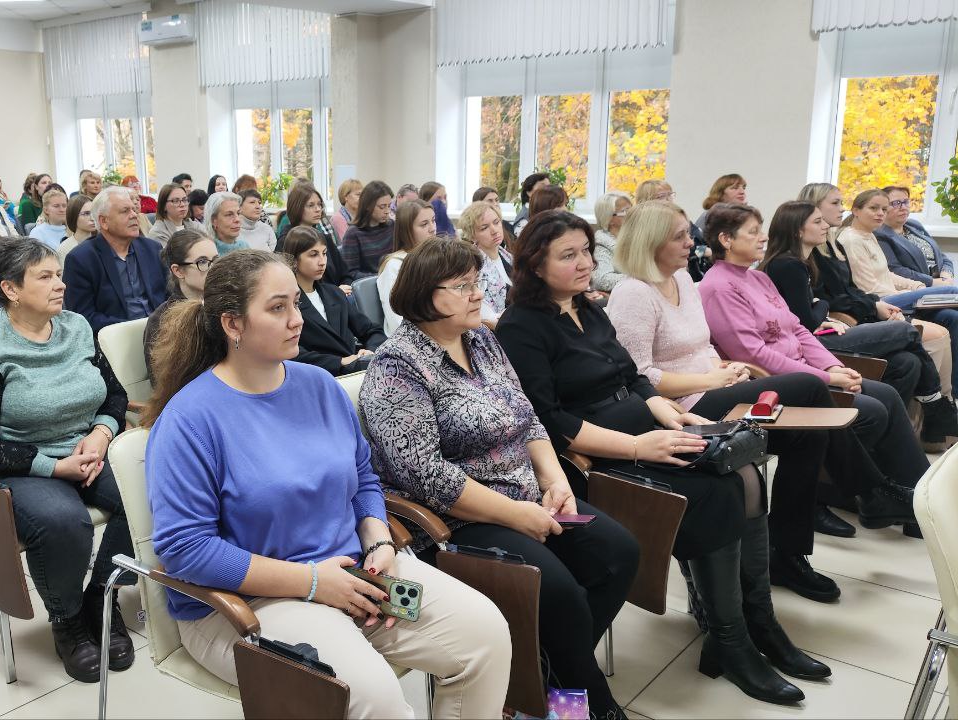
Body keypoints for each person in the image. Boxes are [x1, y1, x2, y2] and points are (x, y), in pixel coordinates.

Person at [143, 249, 512, 720]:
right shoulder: (189, 421)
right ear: (233, 324)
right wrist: (313, 582)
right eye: (277, 308)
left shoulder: (319, 386)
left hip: (353, 574)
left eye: (296, 304)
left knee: (486, 635)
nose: (297, 319)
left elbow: (362, 479)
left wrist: (378, 540)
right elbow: (186, 550)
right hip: (248, 601)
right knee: (374, 697)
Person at [494, 210, 817, 705]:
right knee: (717, 492)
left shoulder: (588, 308)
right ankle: (729, 639)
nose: (585, 263)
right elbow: (549, 420)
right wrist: (637, 445)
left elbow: (633, 376)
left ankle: (757, 622)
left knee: (744, 470)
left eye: (586, 251)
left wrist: (667, 411)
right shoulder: (522, 327)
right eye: (568, 255)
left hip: (641, 429)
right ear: (535, 265)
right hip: (594, 454)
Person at [361, 237, 639, 719]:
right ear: (425, 295)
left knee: (620, 554)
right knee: (560, 595)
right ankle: (587, 705)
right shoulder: (396, 367)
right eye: (463, 286)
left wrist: (556, 481)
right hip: (458, 520)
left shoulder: (482, 340)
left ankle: (537, 677)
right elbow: (428, 477)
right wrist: (516, 515)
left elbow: (527, 417)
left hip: (527, 497)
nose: (478, 294)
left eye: (477, 282)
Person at [607, 200, 911, 602]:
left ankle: (788, 554)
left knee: (809, 432)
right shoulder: (633, 293)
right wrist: (712, 377)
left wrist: (726, 367)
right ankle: (871, 491)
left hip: (716, 386)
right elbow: (639, 377)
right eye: (679, 236)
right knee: (808, 387)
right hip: (682, 409)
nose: (690, 242)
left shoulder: (681, 279)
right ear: (651, 242)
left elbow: (702, 345)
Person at [0, 237, 135, 681]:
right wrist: (53, 466)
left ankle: (103, 595)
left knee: (151, 493)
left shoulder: (77, 327)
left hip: (85, 451)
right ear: (11, 289)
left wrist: (101, 434)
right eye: (45, 277)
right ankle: (67, 619)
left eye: (59, 275)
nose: (60, 285)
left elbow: (115, 395)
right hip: (17, 462)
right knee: (63, 521)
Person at [698, 203, 926, 524]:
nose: (763, 237)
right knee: (871, 411)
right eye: (753, 232)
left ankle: (919, 497)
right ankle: (845, 495)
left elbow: (799, 329)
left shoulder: (758, 278)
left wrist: (833, 367)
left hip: (807, 370)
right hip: (773, 384)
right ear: (726, 239)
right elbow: (753, 355)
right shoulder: (719, 287)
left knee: (886, 395)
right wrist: (825, 378)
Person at [762, 200, 958, 452]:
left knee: (907, 361)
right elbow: (807, 320)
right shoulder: (789, 265)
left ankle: (889, 438)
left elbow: (813, 309)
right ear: (798, 230)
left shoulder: (805, 261)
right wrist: (821, 305)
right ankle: (935, 405)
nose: (825, 226)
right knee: (906, 331)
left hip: (827, 329)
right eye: (817, 222)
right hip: (811, 344)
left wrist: (820, 307)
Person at [797, 183, 954, 399]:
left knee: (918, 350)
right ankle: (937, 400)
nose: (842, 208)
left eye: (884, 208)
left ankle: (940, 399)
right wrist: (875, 305)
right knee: (925, 318)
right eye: (835, 203)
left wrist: (909, 289)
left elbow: (852, 289)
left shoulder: (835, 244)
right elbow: (825, 303)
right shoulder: (832, 246)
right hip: (856, 314)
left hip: (867, 306)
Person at [63, 186, 167, 334]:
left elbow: (170, 296)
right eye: (125, 211)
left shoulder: (152, 249)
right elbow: (83, 317)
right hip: (116, 337)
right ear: (104, 221)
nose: (134, 215)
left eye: (134, 210)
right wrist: (132, 328)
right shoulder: (81, 259)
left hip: (161, 332)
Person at [284, 226, 386, 376]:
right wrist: (340, 362)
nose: (322, 261)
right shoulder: (287, 304)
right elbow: (292, 353)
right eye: (313, 255)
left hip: (356, 371)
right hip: (320, 376)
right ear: (294, 259)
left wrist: (369, 351)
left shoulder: (334, 293)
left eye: (324, 253)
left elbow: (371, 330)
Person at [144, 230, 218, 374]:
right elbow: (162, 379)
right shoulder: (161, 320)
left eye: (215, 260)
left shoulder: (224, 305)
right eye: (202, 262)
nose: (213, 268)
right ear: (178, 271)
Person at [876, 185, 954, 285]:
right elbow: (894, 270)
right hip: (915, 287)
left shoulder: (914, 225)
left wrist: (946, 275)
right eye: (896, 203)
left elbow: (941, 256)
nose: (903, 207)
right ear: (882, 208)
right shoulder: (879, 234)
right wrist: (933, 282)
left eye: (906, 202)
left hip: (940, 282)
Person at [282, 183, 354, 291]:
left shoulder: (324, 238)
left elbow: (345, 274)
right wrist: (335, 292)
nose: (318, 209)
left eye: (319, 205)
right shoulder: (287, 240)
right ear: (297, 207)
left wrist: (344, 289)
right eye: (311, 205)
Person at [637, 179, 713, 281]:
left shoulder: (680, 218)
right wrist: (704, 251)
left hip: (696, 273)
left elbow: (699, 239)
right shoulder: (645, 227)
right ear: (646, 201)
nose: (668, 199)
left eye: (670, 195)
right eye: (661, 196)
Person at [378, 199, 434, 335]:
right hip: (408, 339)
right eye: (424, 224)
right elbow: (396, 319)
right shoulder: (395, 265)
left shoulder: (436, 259)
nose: (433, 228)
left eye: (433, 220)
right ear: (407, 230)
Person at [456, 201, 511, 329]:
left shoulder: (509, 256)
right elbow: (486, 318)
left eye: (496, 222)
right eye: (484, 228)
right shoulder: (473, 267)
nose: (494, 230)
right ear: (472, 235)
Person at [339, 180, 395, 276]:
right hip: (370, 282)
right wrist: (380, 277)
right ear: (368, 206)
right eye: (382, 207)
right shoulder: (353, 233)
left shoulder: (392, 226)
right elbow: (351, 272)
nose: (387, 211)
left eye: (389, 206)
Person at [591, 192, 633, 294]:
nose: (632, 214)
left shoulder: (633, 236)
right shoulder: (601, 244)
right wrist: (640, 277)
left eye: (631, 209)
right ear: (609, 218)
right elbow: (602, 280)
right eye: (625, 211)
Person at [59, 194, 95, 262]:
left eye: (94, 212)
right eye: (86, 214)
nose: (92, 218)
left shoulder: (102, 243)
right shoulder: (65, 248)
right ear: (74, 216)